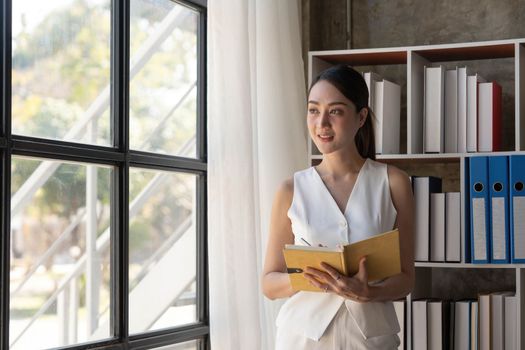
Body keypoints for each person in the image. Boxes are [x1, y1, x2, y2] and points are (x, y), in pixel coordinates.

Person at [261, 64, 415, 349]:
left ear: (361, 117)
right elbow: (269, 283)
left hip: (370, 340)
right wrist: (308, 279)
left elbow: (406, 280)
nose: (321, 123)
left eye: (335, 111)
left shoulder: (394, 182)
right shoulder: (290, 189)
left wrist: (366, 291)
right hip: (303, 338)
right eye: (313, 110)